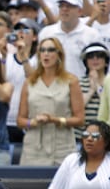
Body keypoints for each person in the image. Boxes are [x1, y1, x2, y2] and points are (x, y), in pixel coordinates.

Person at [17, 37, 83, 166]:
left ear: (59, 55)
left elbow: (80, 119)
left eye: (51, 50)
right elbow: (20, 120)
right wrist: (33, 122)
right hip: (34, 148)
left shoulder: (71, 81)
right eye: (42, 50)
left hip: (62, 147)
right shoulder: (30, 82)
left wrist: (55, 120)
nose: (46, 54)